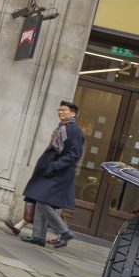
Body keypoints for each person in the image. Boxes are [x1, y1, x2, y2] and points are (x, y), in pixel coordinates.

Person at [20, 101, 83, 248]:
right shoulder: (61, 128)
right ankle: (38, 237)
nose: (61, 112)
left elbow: (75, 154)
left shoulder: (74, 130)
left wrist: (55, 166)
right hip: (50, 171)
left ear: (73, 113)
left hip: (59, 173)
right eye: (59, 110)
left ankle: (64, 231)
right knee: (38, 197)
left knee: (43, 201)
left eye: (64, 110)